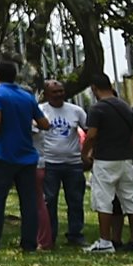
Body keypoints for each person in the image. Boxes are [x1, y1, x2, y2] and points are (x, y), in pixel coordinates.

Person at [0, 61, 51, 252]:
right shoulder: (27, 96)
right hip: (27, 157)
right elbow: (44, 124)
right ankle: (29, 244)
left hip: (4, 155)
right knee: (29, 202)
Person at [82, 72, 133, 254]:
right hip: (126, 160)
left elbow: (91, 135)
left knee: (103, 201)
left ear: (94, 89)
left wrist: (85, 153)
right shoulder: (125, 107)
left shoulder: (97, 109)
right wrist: (131, 148)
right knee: (132, 201)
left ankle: (105, 241)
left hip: (105, 160)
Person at [38, 79, 88, 248]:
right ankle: (50, 235)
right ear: (46, 94)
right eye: (55, 92)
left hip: (73, 163)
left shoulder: (76, 111)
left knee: (75, 200)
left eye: (61, 91)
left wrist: (87, 154)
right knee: (49, 201)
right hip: (50, 163)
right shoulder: (40, 111)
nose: (59, 95)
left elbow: (89, 131)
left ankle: (75, 234)